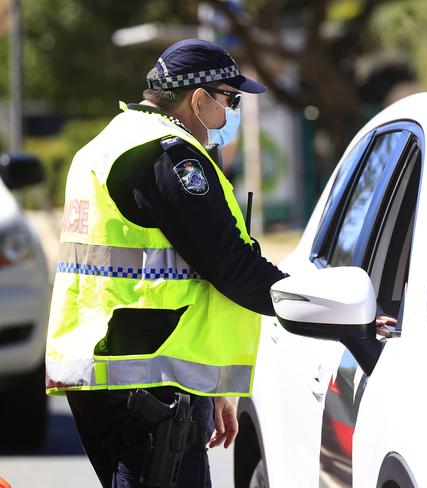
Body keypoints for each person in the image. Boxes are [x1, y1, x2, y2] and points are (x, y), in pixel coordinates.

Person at [45, 39, 288, 487]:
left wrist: (209, 391)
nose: (231, 114)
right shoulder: (169, 156)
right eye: (230, 99)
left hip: (109, 373)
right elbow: (230, 264)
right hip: (147, 382)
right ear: (199, 98)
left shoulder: (111, 141)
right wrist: (309, 304)